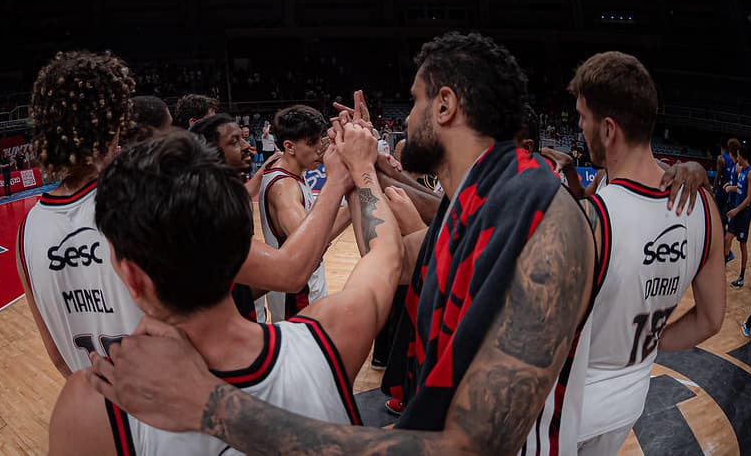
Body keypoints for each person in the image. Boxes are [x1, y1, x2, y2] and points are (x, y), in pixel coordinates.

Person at [88, 32, 597, 455]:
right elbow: (392, 261)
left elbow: (471, 446)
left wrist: (211, 406)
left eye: (416, 98)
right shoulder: (475, 205)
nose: (410, 113)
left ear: (445, 105)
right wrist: (362, 170)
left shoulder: (549, 219)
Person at [49, 125, 404, 456]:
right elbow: (386, 253)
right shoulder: (332, 334)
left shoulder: (92, 405)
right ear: (240, 248)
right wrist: (360, 168)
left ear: (132, 276)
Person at [573, 52, 725, 455]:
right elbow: (711, 320)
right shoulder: (703, 207)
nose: (579, 126)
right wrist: (650, 344)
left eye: (582, 117)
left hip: (570, 402)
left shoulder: (594, 220)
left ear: (608, 129)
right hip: (631, 394)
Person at [16, 51, 143, 377]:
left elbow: (58, 357)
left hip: (98, 412)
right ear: (113, 122)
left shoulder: (26, 232)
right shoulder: (137, 195)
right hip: (169, 412)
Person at [258, 104, 350, 322]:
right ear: (289, 146)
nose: (320, 148)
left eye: (321, 140)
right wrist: (351, 197)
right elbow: (310, 245)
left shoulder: (287, 171)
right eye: (312, 143)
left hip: (299, 294)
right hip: (298, 301)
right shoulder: (284, 188)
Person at [726, 145, 751, 288]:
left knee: (742, 245)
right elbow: (741, 189)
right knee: (727, 238)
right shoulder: (741, 171)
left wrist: (736, 210)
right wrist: (731, 187)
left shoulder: (750, 173)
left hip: (744, 214)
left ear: (742, 156)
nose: (736, 158)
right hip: (736, 212)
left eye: (738, 156)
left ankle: (741, 277)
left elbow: (749, 198)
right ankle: (722, 265)